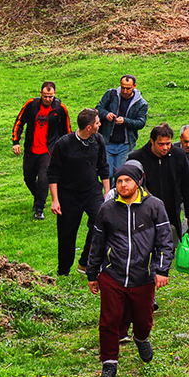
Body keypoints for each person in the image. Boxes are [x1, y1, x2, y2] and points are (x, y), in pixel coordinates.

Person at [86, 160, 175, 377]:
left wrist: (162, 270)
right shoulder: (107, 209)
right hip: (112, 275)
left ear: (138, 182)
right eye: (119, 181)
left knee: (143, 319)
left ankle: (141, 338)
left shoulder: (154, 206)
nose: (123, 185)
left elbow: (165, 241)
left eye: (127, 181)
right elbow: (96, 243)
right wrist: (92, 274)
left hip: (143, 276)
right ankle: (109, 364)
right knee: (109, 321)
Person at [47, 108, 110, 276]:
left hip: (92, 192)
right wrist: (55, 200)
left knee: (101, 223)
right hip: (68, 195)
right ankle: (64, 271)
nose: (100, 124)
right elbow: (52, 173)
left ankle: (85, 262)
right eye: (97, 122)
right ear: (89, 127)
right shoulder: (64, 144)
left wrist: (107, 192)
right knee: (67, 234)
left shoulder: (98, 140)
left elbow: (103, 167)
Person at [12, 80, 71, 221]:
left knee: (44, 178)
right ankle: (38, 197)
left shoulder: (60, 108)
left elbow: (66, 130)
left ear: (55, 94)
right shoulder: (31, 105)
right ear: (41, 94)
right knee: (28, 177)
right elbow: (19, 122)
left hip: (49, 150)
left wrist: (67, 149)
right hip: (31, 149)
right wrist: (16, 142)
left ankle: (39, 208)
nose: (48, 99)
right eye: (45, 96)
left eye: (50, 96)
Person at [131, 124, 189, 247]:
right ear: (152, 141)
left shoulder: (178, 155)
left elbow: (187, 185)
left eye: (168, 143)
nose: (165, 147)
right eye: (161, 144)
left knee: (169, 244)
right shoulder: (137, 158)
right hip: (146, 210)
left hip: (172, 209)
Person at [95, 74, 148, 174]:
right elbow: (98, 108)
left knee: (121, 173)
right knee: (107, 173)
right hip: (108, 141)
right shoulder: (111, 94)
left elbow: (141, 123)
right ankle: (109, 190)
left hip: (126, 144)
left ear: (134, 86)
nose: (125, 91)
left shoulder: (141, 103)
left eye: (128, 88)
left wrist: (125, 121)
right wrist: (106, 115)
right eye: (123, 88)